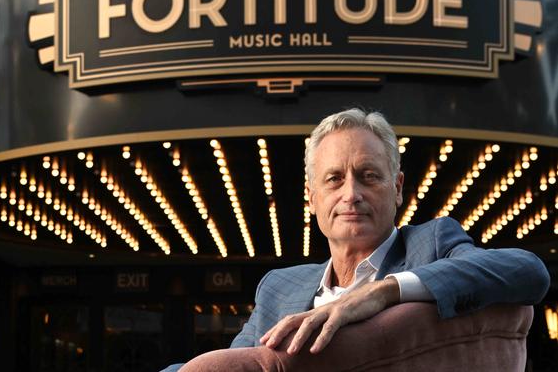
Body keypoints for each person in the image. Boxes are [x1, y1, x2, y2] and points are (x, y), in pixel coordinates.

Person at [161, 108, 550, 371]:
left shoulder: (431, 243)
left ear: (397, 188)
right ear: (312, 198)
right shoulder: (279, 287)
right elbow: (232, 363)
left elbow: (528, 271)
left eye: (368, 175)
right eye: (334, 179)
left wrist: (383, 292)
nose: (351, 194)